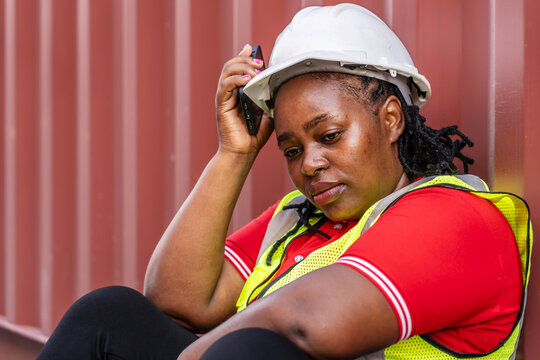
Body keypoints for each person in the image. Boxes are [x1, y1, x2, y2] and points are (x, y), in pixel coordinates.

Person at [37, 3, 531, 360]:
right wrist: (234, 153)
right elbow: (177, 301)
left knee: (254, 348)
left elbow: (308, 322)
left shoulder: (456, 218)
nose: (310, 164)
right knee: (109, 315)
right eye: (291, 149)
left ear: (392, 118)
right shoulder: (298, 221)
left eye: (330, 135)